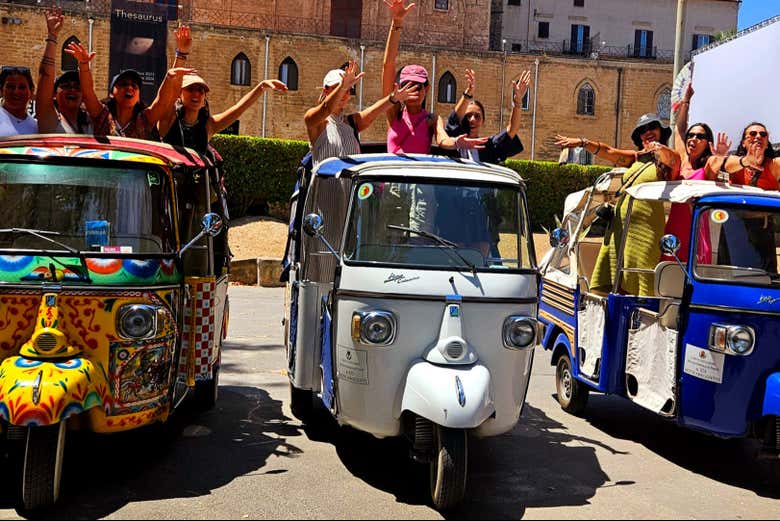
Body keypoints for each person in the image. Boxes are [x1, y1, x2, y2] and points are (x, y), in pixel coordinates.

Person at [556, 114, 682, 296]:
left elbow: (673, 159)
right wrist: (582, 143)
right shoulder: (636, 158)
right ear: (639, 137)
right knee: (609, 276)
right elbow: (608, 151)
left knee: (642, 273)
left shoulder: (667, 161)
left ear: (661, 131)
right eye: (642, 130)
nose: (648, 132)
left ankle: (642, 312)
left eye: (652, 127)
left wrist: (658, 148)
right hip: (619, 227)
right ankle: (606, 312)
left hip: (646, 228)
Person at [381, 0, 486, 154]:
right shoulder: (394, 113)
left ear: (427, 89)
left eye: (417, 87)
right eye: (407, 86)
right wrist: (396, 23)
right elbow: (388, 65)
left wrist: (457, 142)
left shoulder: (431, 119)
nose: (412, 92)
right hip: (393, 170)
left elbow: (443, 139)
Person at [65, 32, 194, 140]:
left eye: (134, 86)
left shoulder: (145, 120)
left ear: (138, 97)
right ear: (112, 93)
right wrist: (83, 64)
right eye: (123, 84)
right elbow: (88, 93)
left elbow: (163, 102)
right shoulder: (101, 115)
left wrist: (178, 60)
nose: (130, 88)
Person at [305, 61, 415, 166]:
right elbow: (326, 108)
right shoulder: (313, 119)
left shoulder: (352, 122)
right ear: (325, 91)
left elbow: (374, 111)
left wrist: (394, 98)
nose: (343, 94)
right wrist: (343, 87)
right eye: (336, 88)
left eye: (347, 90)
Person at [705, 122, 780, 273]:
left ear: (767, 143)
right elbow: (716, 166)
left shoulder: (773, 165)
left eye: (763, 134)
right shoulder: (736, 164)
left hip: (762, 232)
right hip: (734, 230)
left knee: (765, 278)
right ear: (744, 143)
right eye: (752, 134)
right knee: (728, 276)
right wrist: (743, 161)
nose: (758, 136)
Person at [161, 73, 287, 155]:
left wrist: (261, 87)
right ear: (179, 95)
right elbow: (164, 97)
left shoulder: (209, 126)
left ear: (204, 99)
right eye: (190, 89)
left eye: (200, 90)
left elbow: (238, 108)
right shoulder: (168, 119)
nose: (196, 94)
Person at [444, 68, 530, 163]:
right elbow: (454, 120)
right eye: (468, 116)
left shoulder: (488, 147)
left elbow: (511, 130)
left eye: (477, 116)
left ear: (483, 121)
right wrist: (467, 94)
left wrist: (517, 101)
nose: (472, 120)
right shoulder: (452, 142)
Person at [35, 8, 92, 134]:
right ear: (54, 94)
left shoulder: (91, 123)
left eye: (77, 87)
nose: (72, 90)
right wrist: (52, 36)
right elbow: (45, 75)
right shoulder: (49, 119)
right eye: (66, 86)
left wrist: (84, 64)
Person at [0, 65, 37, 137]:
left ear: (31, 91)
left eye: (22, 87)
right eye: (10, 87)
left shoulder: (36, 128)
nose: (16, 92)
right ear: (1, 90)